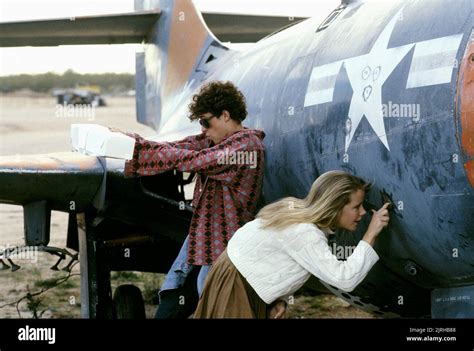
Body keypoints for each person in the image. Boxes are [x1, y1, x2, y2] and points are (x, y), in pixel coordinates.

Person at [123, 81, 265, 318]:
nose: (203, 130)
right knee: (174, 291)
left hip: (225, 242)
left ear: (226, 115)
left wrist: (138, 150)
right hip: (204, 235)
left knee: (211, 302)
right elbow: (178, 147)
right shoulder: (218, 141)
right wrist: (133, 144)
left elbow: (195, 160)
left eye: (206, 122)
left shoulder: (247, 146)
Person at [194, 170, 390, 318]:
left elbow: (276, 257)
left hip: (236, 278)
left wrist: (279, 296)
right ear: (335, 206)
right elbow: (344, 279)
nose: (363, 213)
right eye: (356, 207)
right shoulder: (305, 231)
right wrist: (371, 233)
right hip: (236, 286)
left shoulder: (298, 215)